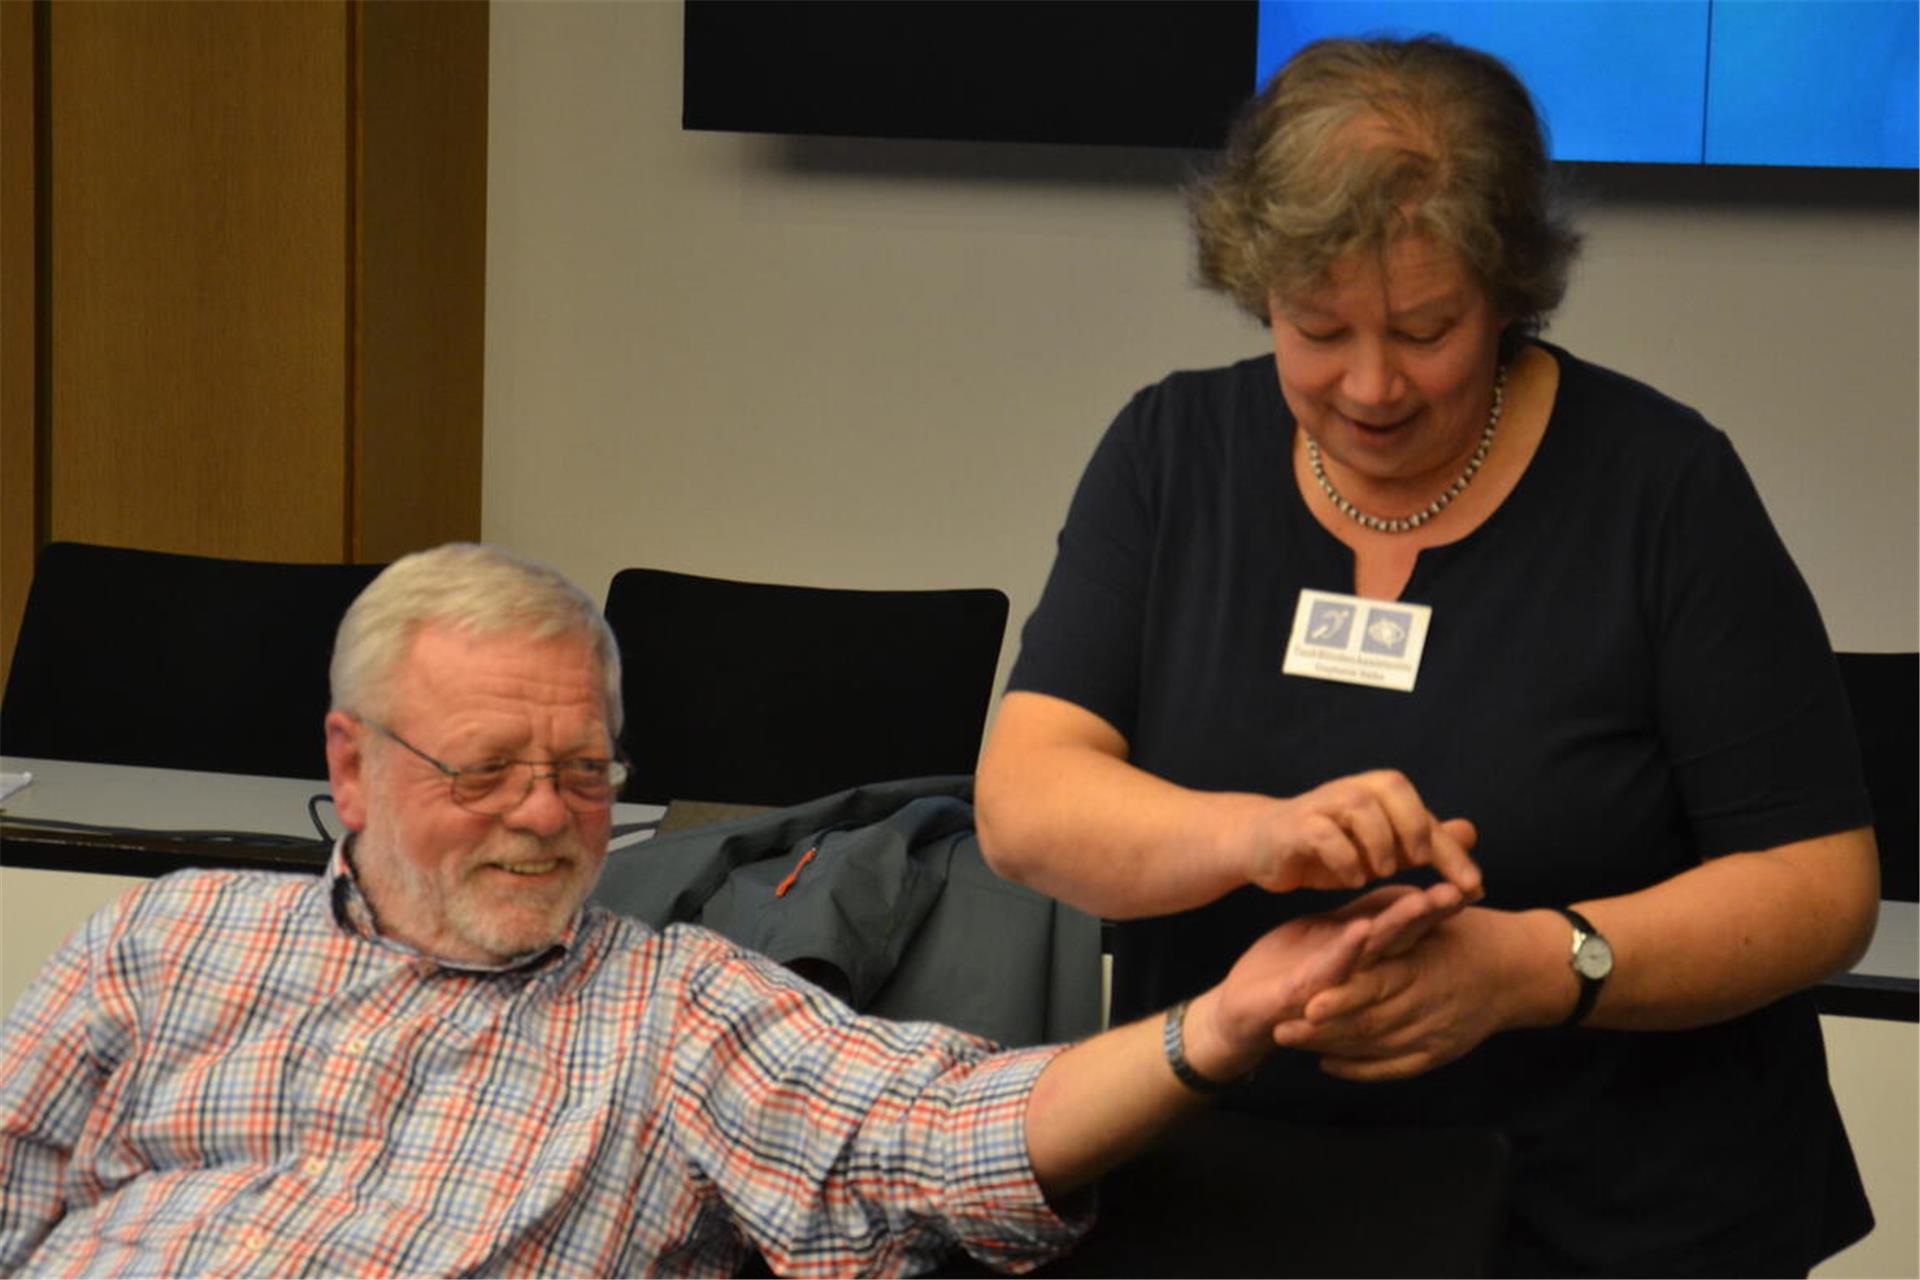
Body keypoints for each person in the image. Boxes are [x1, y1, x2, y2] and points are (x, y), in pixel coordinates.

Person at [975, 36, 1881, 1278]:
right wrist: (1255, 836)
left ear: (1508, 290)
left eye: (1425, 327)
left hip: (1622, 1218)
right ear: (1257, 288)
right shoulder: (1172, 453)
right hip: (1237, 1197)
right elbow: (1026, 801)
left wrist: (1530, 965)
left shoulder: (1663, 491)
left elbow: (1820, 884)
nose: (1370, 385)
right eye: (1317, 327)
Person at [0, 542, 1465, 1278]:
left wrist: (1220, 1023)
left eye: (582, 770)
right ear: (352, 766)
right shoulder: (166, 939)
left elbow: (945, 1133)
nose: (540, 813)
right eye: (491, 768)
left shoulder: (669, 1007)